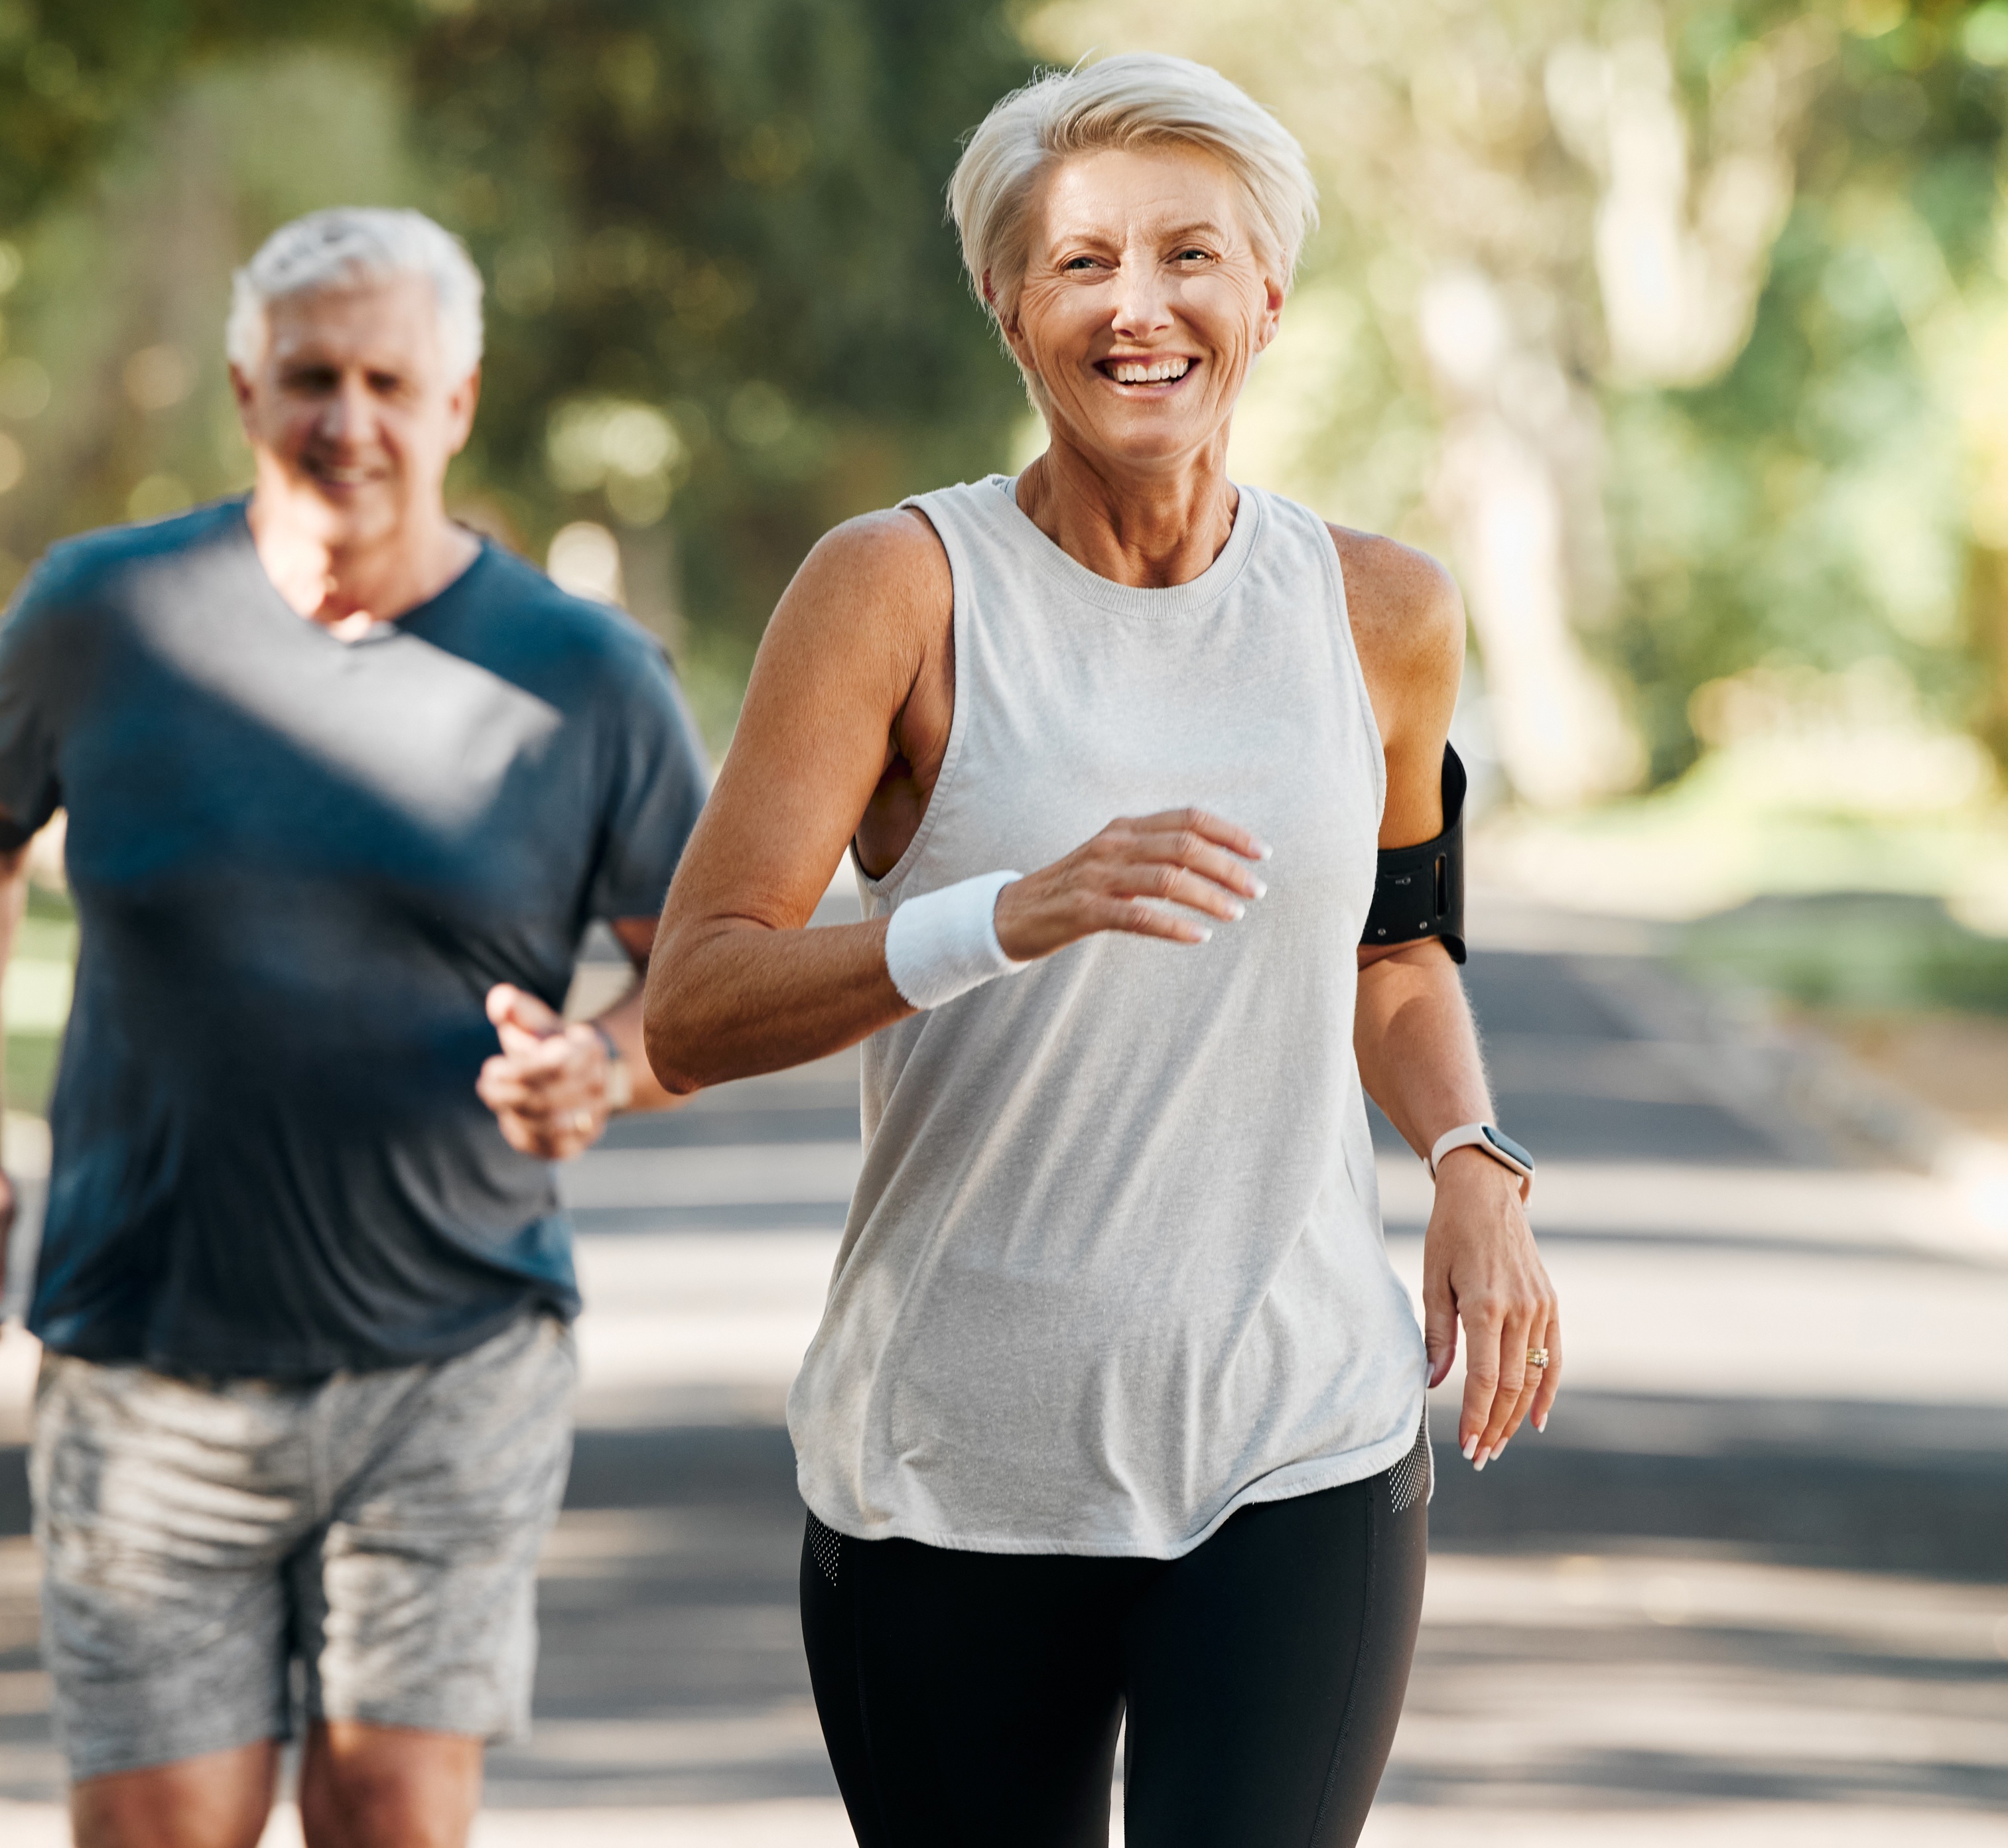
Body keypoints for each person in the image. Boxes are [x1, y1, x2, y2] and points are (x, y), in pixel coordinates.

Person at [642, 53, 1562, 1848]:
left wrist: (1469, 1158)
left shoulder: (1381, 612)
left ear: (1267, 297)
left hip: (1291, 1430)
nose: (1136, 308)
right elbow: (692, 1001)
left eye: (1187, 256)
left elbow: (1396, 946)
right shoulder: (893, 591)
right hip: (950, 1461)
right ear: (1005, 307)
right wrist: (1004, 912)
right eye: (1078, 265)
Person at [0, 206, 707, 1848]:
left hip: (455, 1350)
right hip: (146, 1350)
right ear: (247, 392)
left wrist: (604, 1068)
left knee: (393, 1810)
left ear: (458, 403)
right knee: (160, 1829)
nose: (354, 420)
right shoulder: (103, 616)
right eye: (313, 378)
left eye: (391, 382)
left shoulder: (588, 678)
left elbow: (711, 976)